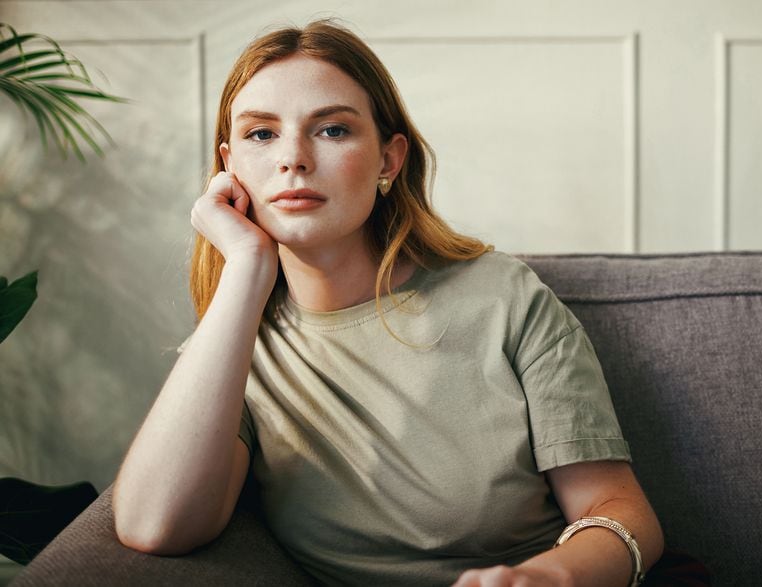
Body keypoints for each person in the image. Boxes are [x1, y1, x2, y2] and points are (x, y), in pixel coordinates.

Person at [112, 19, 663, 587]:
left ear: (388, 161)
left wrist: (549, 579)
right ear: (228, 168)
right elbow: (154, 526)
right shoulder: (233, 345)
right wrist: (246, 271)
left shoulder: (505, 298)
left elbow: (619, 511)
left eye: (331, 130)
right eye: (261, 134)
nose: (293, 158)